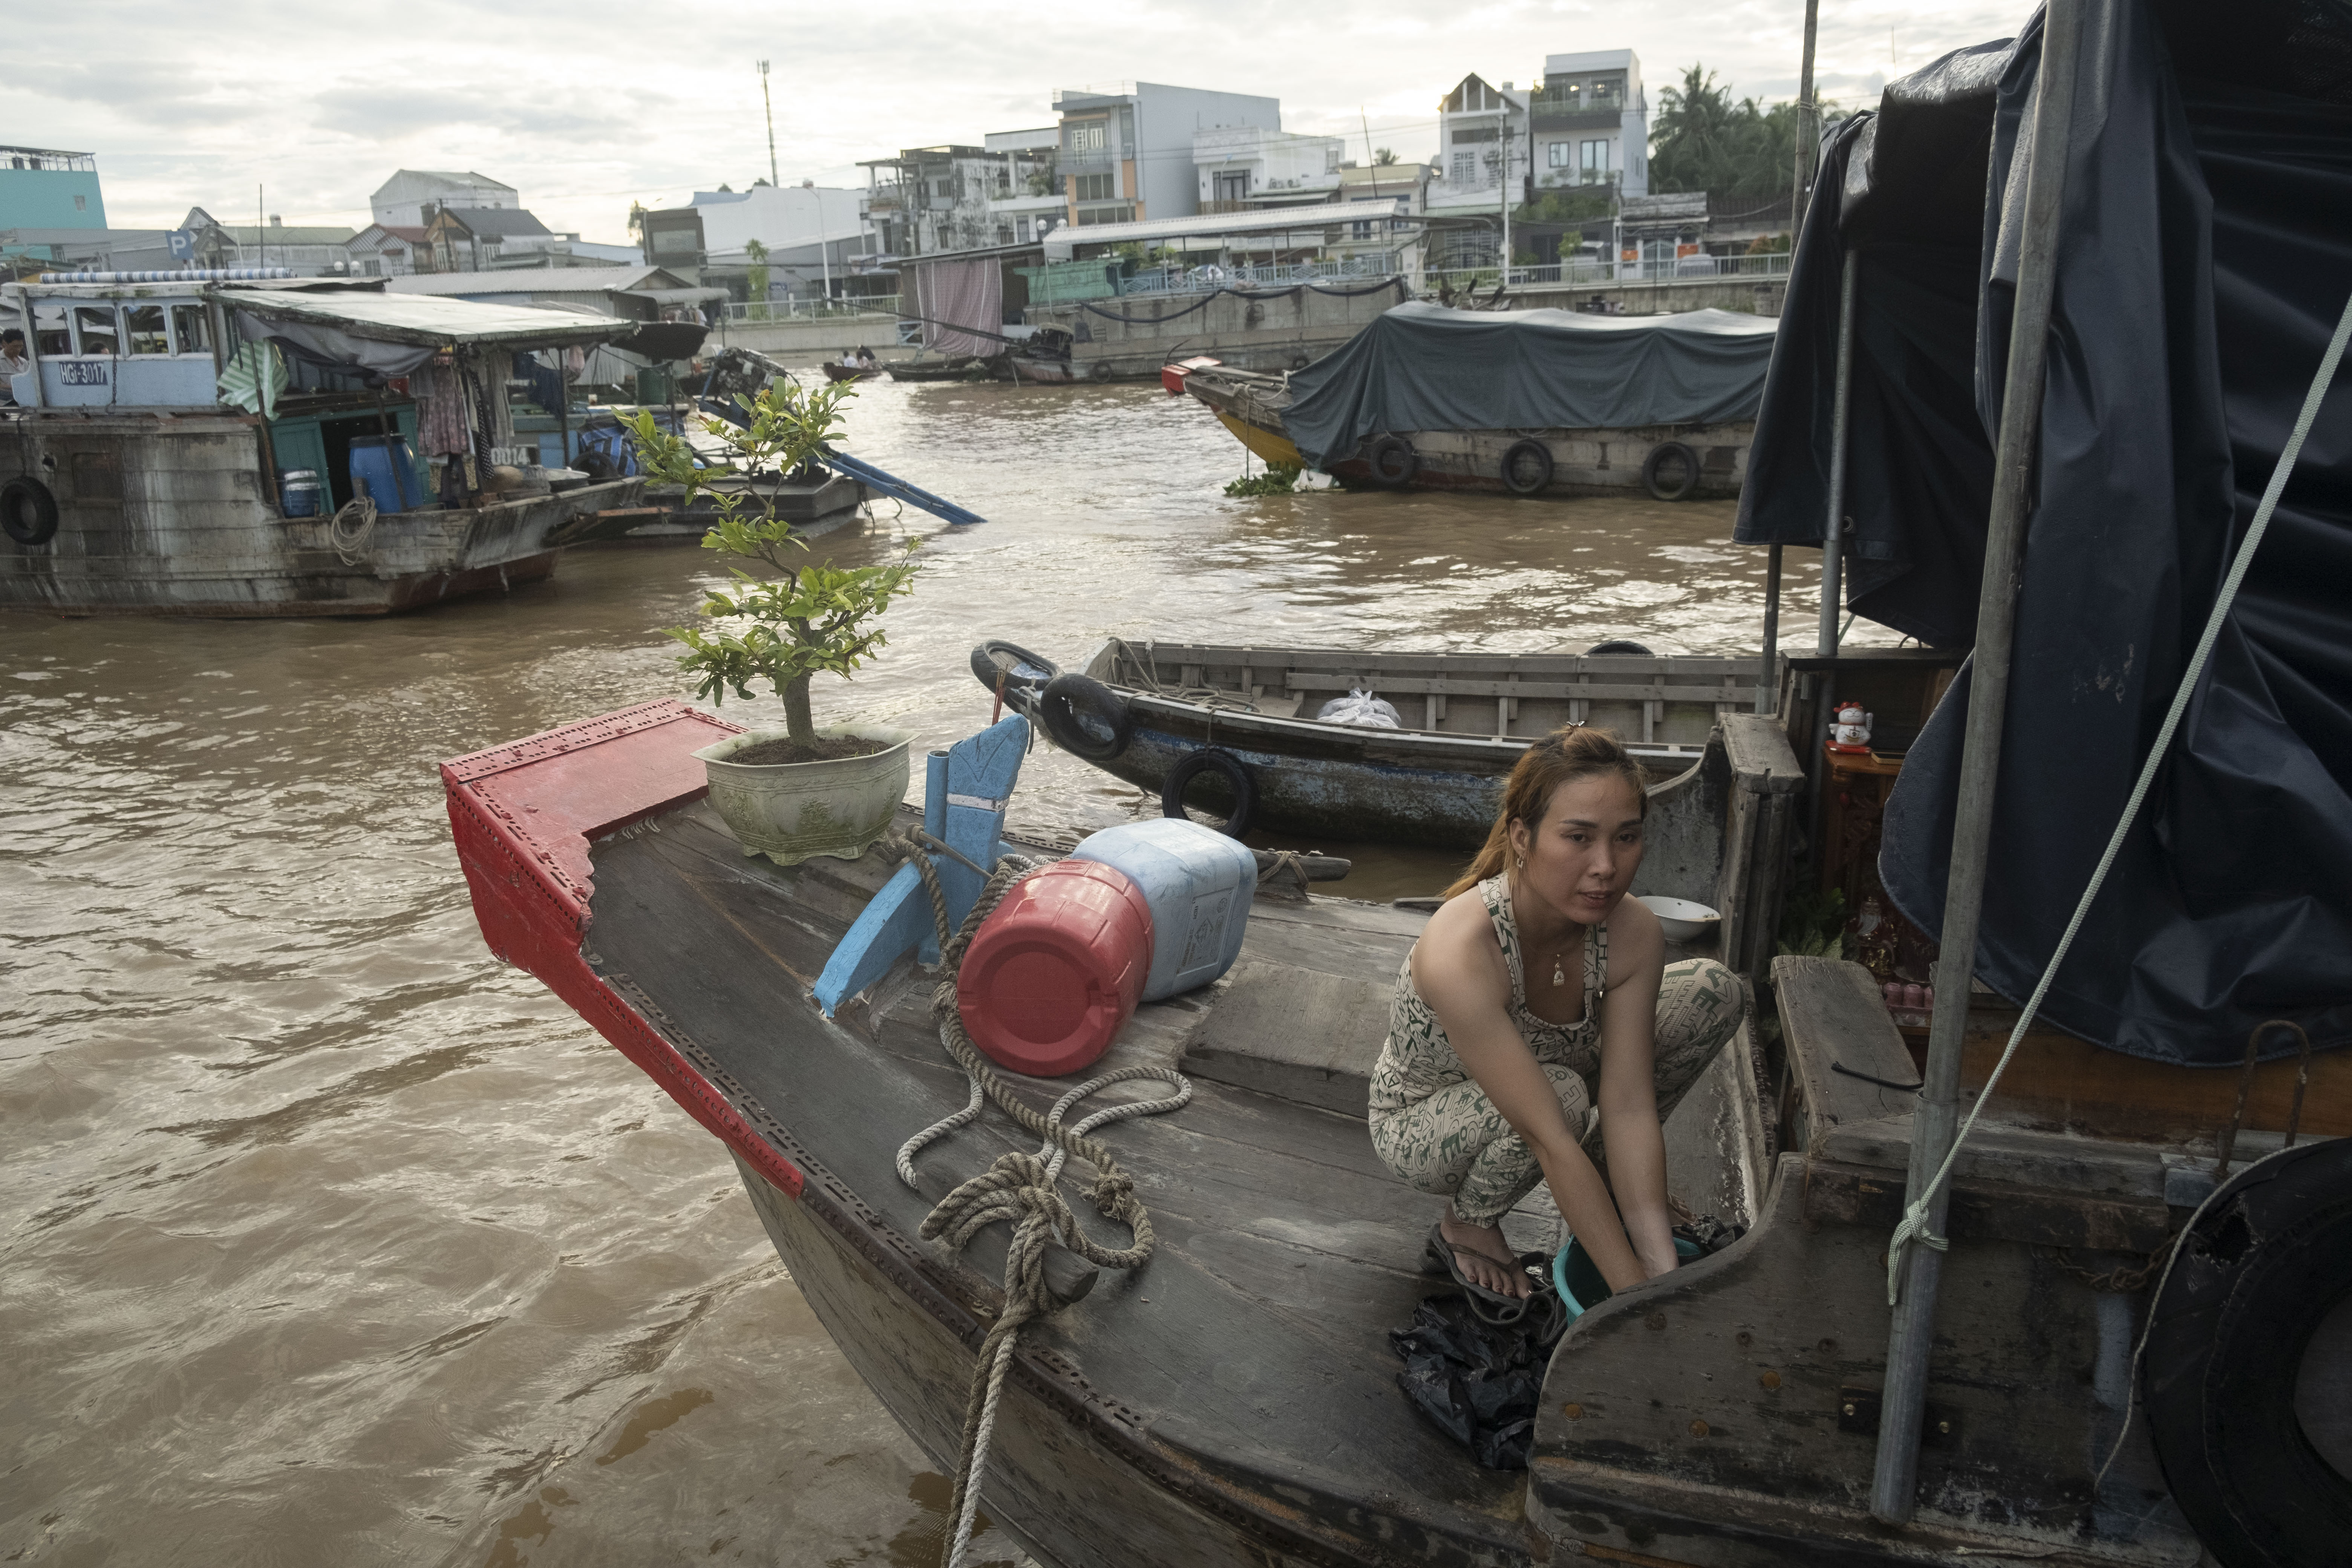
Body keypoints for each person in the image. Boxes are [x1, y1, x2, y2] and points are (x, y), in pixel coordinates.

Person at [1369, 725, 1745, 1302]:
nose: (1606, 866)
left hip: (1556, 1076)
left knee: (1712, 990)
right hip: (1428, 1124)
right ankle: (1468, 1224)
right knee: (1562, 1100)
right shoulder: (1463, 948)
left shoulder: (1633, 931)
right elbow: (1550, 1137)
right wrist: (1635, 1307)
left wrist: (1659, 1267)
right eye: (1578, 838)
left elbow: (1628, 1104)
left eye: (1626, 838)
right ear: (1523, 837)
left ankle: (1612, 1192)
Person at [0, 328, 28, 404]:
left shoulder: (24, 362)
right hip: (3, 404)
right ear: (5, 344)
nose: (18, 350)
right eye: (15, 347)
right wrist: (17, 387)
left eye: (21, 347)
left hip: (22, 402)